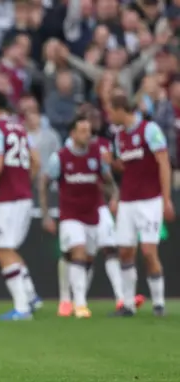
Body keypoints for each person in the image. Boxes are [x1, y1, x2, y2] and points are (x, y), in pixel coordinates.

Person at [54, 106, 145, 316]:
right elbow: (51, 179)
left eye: (92, 123)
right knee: (74, 253)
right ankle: (68, 300)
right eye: (85, 126)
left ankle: (121, 298)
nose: (90, 129)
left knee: (110, 248)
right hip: (72, 210)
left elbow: (106, 178)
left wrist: (113, 195)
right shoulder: (65, 152)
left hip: (97, 207)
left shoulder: (101, 147)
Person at [39, 116, 119, 318]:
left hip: (92, 215)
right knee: (79, 251)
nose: (88, 135)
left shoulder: (97, 155)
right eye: (83, 131)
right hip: (71, 215)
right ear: (73, 134)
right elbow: (43, 183)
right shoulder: (60, 157)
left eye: (89, 131)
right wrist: (46, 214)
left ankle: (70, 299)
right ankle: (80, 304)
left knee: (84, 259)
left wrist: (115, 197)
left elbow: (108, 180)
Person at [0, 91, 41, 321]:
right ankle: (31, 296)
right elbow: (36, 161)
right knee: (9, 248)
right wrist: (24, 181)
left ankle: (22, 308)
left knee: (2, 250)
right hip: (23, 195)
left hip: (7, 198)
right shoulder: (20, 127)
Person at [107, 94, 175, 317]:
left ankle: (158, 303)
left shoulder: (149, 129)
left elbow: (163, 163)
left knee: (148, 251)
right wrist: (112, 164)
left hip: (149, 200)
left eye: (111, 111)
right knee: (125, 252)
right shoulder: (119, 137)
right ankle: (128, 304)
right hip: (128, 201)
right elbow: (128, 168)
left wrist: (166, 199)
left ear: (120, 110)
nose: (109, 117)